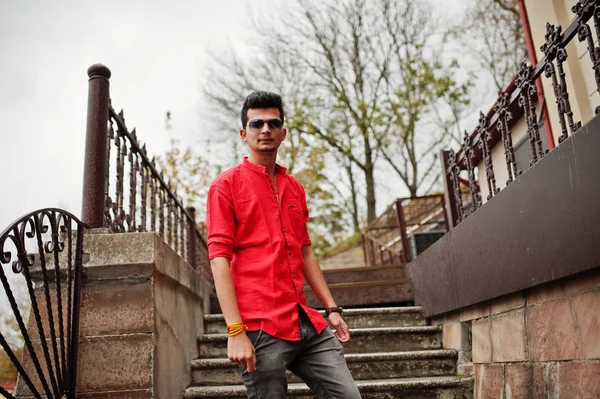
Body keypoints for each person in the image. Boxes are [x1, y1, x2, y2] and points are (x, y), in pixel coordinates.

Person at [206, 91, 362, 399]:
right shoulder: (225, 186)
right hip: (260, 326)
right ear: (244, 133)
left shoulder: (294, 188)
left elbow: (305, 250)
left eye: (273, 122)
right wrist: (235, 331)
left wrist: (331, 308)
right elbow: (218, 259)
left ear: (283, 132)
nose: (265, 129)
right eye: (257, 123)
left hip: (304, 320)